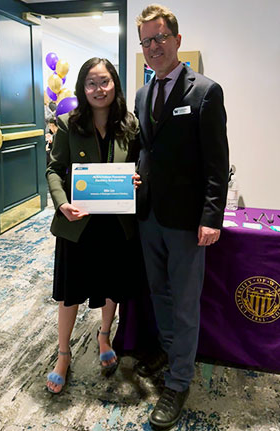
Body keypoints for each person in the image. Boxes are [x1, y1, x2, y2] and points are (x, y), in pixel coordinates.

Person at [133, 4, 229, 429]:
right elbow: (147, 148)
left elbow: (216, 162)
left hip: (189, 220)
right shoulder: (142, 92)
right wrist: (136, 176)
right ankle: (172, 357)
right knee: (159, 293)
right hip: (149, 214)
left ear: (176, 40)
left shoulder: (205, 91)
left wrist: (213, 216)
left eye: (159, 38)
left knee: (186, 302)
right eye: (146, 41)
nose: (153, 47)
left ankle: (179, 381)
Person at [46, 57, 140, 394]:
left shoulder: (130, 124)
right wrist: (61, 202)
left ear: (114, 83)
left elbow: (139, 166)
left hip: (116, 225)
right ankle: (63, 353)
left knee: (112, 285)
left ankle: (104, 335)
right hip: (78, 223)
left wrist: (138, 180)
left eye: (104, 82)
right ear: (82, 88)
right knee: (70, 292)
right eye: (91, 83)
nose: (98, 89)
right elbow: (54, 169)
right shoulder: (68, 124)